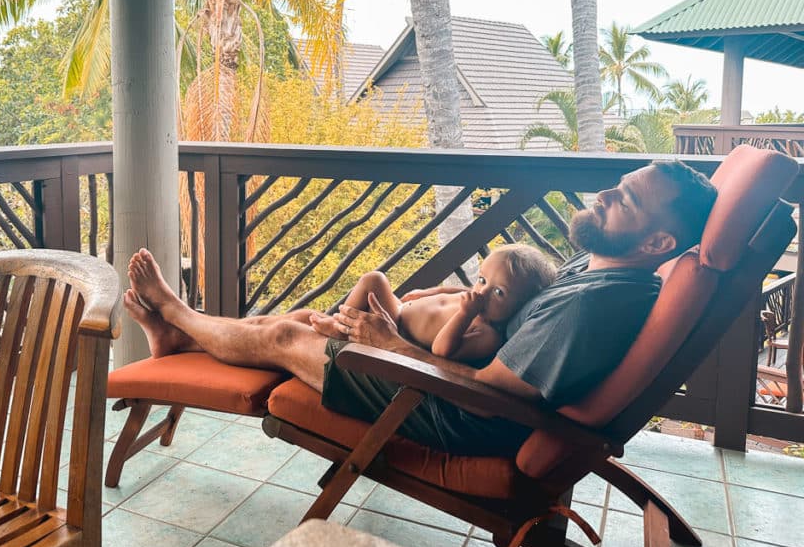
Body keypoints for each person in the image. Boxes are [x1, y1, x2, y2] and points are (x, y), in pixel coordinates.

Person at [124, 160, 717, 458]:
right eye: (621, 182)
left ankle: (175, 314)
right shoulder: (600, 273)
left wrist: (393, 346)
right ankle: (179, 336)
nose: (609, 192)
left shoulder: (594, 308)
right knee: (307, 319)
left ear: (658, 244)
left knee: (284, 336)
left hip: (449, 410)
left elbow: (495, 392)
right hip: (447, 387)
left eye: (629, 201)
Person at [307, 244, 556, 364]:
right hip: (401, 312)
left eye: (499, 292)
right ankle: (339, 322)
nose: (481, 291)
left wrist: (464, 314)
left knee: (375, 281)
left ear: (521, 306)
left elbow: (441, 351)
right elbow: (459, 290)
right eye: (482, 279)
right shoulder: (477, 297)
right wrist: (432, 291)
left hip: (398, 332)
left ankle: (340, 331)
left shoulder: (487, 334)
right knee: (373, 280)